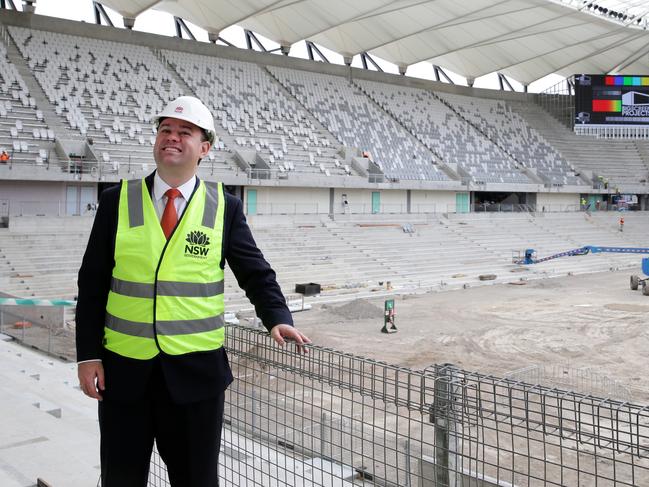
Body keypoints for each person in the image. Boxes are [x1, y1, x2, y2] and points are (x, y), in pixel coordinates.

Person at [76, 95, 310, 487]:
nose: (172, 137)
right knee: (119, 478)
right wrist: (87, 356)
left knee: (196, 481)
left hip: (195, 379)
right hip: (124, 374)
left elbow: (255, 272)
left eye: (185, 132)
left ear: (204, 148)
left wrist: (277, 317)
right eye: (165, 129)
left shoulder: (224, 207)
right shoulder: (116, 201)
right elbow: (93, 282)